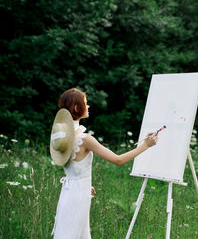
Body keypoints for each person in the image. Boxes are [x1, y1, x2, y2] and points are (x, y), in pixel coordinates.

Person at [50, 88, 158, 239]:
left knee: (69, 232)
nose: (88, 107)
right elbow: (118, 160)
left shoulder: (61, 136)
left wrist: (85, 184)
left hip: (69, 192)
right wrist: (145, 146)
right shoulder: (85, 139)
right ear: (76, 108)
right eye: (85, 103)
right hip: (78, 195)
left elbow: (73, 167)